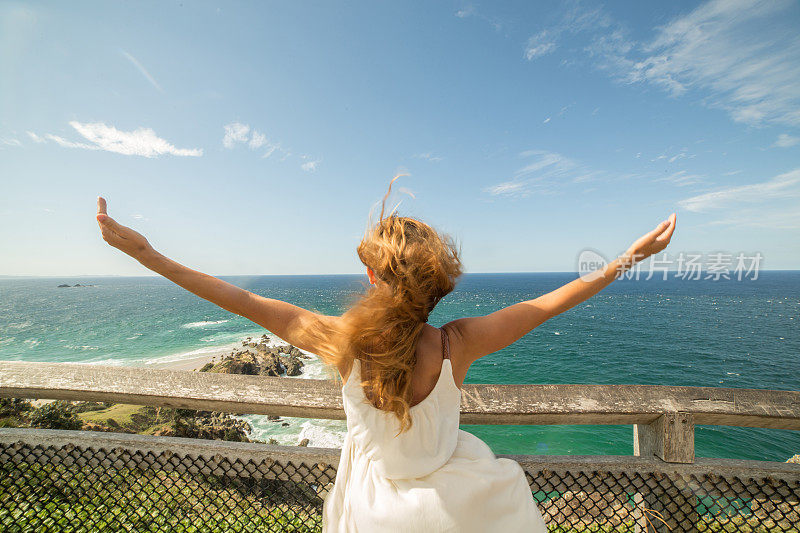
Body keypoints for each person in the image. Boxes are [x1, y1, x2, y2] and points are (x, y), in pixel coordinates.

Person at [95, 182, 676, 532]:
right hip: (461, 505)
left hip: (377, 514)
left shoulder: (340, 341)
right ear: (434, 282)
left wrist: (147, 253)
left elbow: (242, 299)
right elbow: (546, 304)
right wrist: (628, 256)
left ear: (372, 274)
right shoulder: (457, 344)